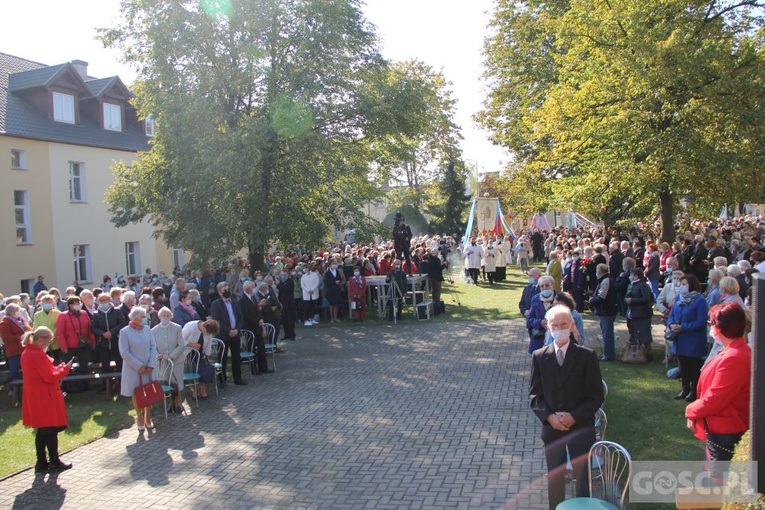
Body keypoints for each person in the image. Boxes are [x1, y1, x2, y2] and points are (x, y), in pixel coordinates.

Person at [530, 305, 604, 510]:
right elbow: (535, 396)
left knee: (582, 480)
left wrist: (574, 416)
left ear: (572, 326)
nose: (560, 329)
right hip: (552, 430)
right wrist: (550, 417)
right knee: (555, 479)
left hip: (580, 428)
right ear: (548, 327)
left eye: (564, 325)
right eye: (555, 325)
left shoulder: (587, 356)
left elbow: (595, 395)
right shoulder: (539, 356)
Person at [685, 302, 750, 482]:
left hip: (726, 432)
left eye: (712, 324)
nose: (710, 328)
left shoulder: (735, 357)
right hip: (720, 429)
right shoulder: (733, 350)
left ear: (720, 328)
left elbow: (715, 398)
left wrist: (691, 410)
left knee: (718, 486)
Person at [20, 327, 73, 473]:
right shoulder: (37, 355)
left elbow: (45, 373)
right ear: (41, 340)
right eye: (48, 341)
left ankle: (42, 462)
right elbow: (49, 377)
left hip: (37, 396)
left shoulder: (28, 353)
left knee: (42, 431)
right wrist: (64, 370)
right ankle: (54, 461)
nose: (48, 344)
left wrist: (57, 369)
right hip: (45, 397)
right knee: (50, 430)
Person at [667, 274, 709, 402]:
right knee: (683, 366)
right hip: (680, 339)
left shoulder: (700, 300)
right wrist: (671, 324)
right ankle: (684, 388)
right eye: (681, 284)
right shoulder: (679, 298)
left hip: (693, 339)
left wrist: (683, 327)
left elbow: (701, 321)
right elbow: (672, 314)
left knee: (694, 367)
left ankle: (694, 390)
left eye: (684, 284)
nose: (681, 287)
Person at [119, 307, 159, 431]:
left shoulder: (147, 329)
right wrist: (139, 366)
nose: (145, 318)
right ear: (135, 318)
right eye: (142, 316)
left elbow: (153, 347)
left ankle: (148, 416)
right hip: (133, 368)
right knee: (136, 392)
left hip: (148, 368)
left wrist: (151, 364)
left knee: (149, 392)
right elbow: (124, 352)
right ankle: (139, 416)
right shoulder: (125, 332)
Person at [90, 292, 128, 394]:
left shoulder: (117, 311)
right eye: (101, 301)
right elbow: (93, 327)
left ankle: (122, 385)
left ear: (109, 301)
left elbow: (122, 323)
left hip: (116, 342)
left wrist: (112, 332)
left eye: (105, 301)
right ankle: (106, 387)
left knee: (120, 364)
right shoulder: (96, 314)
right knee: (105, 366)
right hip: (103, 344)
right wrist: (102, 334)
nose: (103, 303)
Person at [210, 281, 246, 386]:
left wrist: (237, 329)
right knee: (222, 358)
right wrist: (228, 330)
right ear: (220, 292)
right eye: (225, 290)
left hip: (235, 333)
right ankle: (222, 379)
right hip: (223, 335)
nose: (227, 291)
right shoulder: (216, 304)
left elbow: (240, 317)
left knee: (236, 357)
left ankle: (238, 378)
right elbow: (217, 320)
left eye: (228, 289)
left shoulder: (234, 301)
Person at [152, 307, 186, 413]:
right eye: (163, 316)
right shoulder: (154, 330)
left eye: (167, 316)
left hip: (176, 360)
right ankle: (171, 404)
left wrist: (171, 356)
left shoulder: (177, 328)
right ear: (160, 317)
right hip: (163, 362)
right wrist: (159, 355)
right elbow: (153, 347)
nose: (165, 318)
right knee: (167, 382)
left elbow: (181, 345)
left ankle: (179, 404)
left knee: (177, 382)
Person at [55, 296, 95, 382]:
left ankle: (85, 384)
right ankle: (65, 385)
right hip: (69, 346)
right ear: (70, 305)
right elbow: (60, 333)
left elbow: (89, 329)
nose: (79, 305)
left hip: (83, 345)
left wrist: (92, 341)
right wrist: (64, 347)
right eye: (76, 304)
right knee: (66, 366)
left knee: (84, 365)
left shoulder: (84, 313)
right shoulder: (63, 316)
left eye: (79, 303)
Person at [239, 281, 274, 375]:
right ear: (247, 288)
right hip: (250, 327)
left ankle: (263, 367)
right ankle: (253, 369)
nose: (254, 289)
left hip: (258, 327)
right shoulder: (242, 299)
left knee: (261, 348)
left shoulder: (253, 297)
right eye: (252, 287)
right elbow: (245, 315)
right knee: (252, 348)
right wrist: (256, 321)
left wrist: (261, 319)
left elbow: (258, 310)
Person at [181, 319, 219, 398]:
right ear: (204, 327)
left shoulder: (209, 331)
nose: (206, 333)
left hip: (200, 353)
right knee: (191, 370)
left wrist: (207, 355)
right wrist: (192, 344)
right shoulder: (190, 326)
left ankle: (202, 389)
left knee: (202, 370)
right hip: (188, 352)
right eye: (205, 331)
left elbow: (208, 343)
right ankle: (194, 390)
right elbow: (180, 339)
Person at [589, 263, 618, 361]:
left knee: (607, 334)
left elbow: (602, 297)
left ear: (599, 271)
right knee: (606, 333)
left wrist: (592, 300)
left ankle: (609, 355)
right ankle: (608, 353)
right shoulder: (605, 280)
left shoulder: (606, 281)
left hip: (606, 311)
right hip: (606, 310)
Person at [624, 267, 654, 356]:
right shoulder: (631, 285)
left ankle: (647, 353)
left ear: (636, 276)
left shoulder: (643, 285)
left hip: (642, 314)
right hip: (632, 313)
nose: (630, 277)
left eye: (631, 275)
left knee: (644, 335)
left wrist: (632, 300)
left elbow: (646, 299)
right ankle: (635, 353)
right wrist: (626, 300)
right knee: (633, 334)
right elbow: (626, 296)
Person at [0, 303, 32, 384]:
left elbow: (29, 329)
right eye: (17, 310)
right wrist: (20, 337)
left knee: (27, 370)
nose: (19, 312)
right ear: (11, 312)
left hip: (25, 349)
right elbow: (6, 337)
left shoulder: (21, 320)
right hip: (14, 351)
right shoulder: (5, 322)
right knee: (14, 372)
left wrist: (28, 333)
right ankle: (13, 390)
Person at [526, 276, 557, 354]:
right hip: (539, 338)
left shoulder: (560, 298)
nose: (544, 288)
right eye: (542, 286)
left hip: (556, 338)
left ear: (553, 286)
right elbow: (529, 318)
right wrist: (540, 322)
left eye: (547, 285)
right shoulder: (535, 299)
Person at [32, 294, 62, 363]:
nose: (48, 304)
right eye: (46, 302)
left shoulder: (58, 313)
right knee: (46, 361)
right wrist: (44, 338)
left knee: (56, 360)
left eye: (50, 302)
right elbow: (36, 328)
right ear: (42, 303)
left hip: (55, 342)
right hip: (43, 343)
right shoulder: (37, 315)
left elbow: (58, 327)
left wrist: (51, 336)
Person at [277, 268, 297, 340]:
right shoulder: (281, 282)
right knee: (284, 319)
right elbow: (279, 289)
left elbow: (286, 289)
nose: (283, 276)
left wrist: (280, 286)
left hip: (289, 303)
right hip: (282, 303)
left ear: (288, 275)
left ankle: (292, 334)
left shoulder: (290, 281)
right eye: (282, 275)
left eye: (284, 275)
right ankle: (286, 334)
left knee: (290, 319)